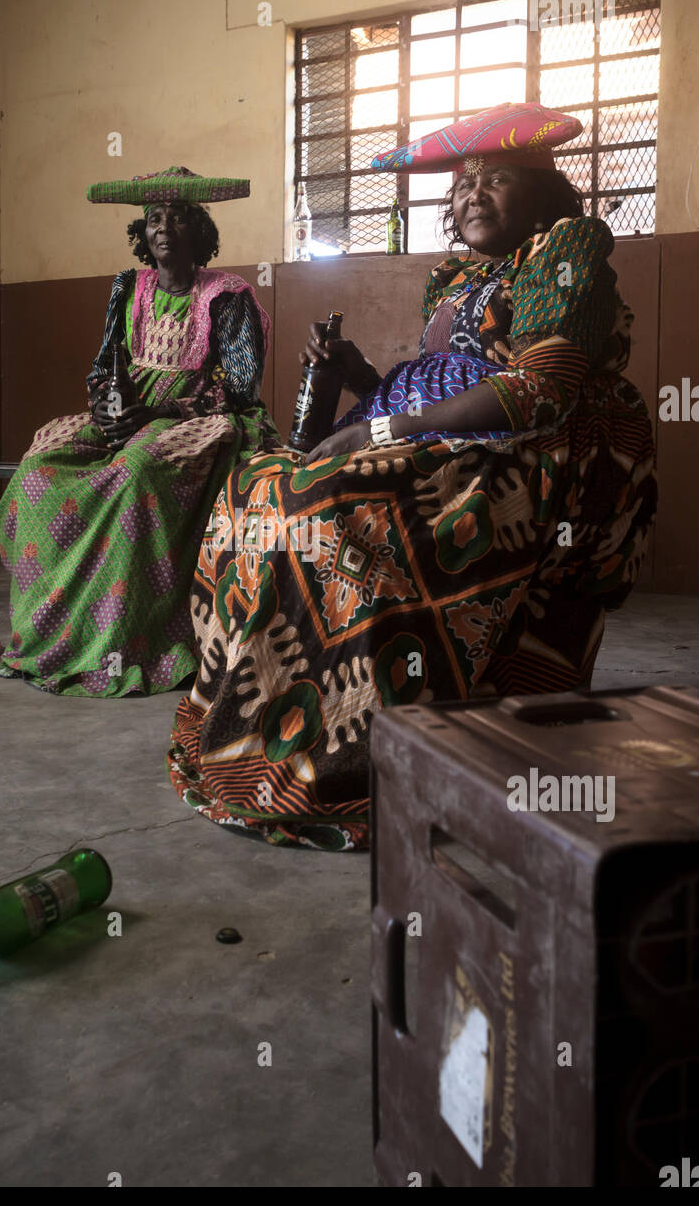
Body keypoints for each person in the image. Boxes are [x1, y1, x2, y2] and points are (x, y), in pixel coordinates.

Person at [168, 104, 657, 850]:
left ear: (544, 192)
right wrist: (359, 378)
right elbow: (433, 387)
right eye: (462, 186)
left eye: (495, 180)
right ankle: (252, 729)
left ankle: (352, 743)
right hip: (451, 440)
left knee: (326, 503)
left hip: (536, 453)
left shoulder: (566, 247)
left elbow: (538, 392)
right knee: (256, 484)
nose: (471, 196)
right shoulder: (456, 277)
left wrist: (383, 429)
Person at [0, 166, 280, 696]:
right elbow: (105, 364)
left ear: (199, 232)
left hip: (203, 418)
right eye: (153, 219)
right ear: (142, 234)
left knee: (136, 471)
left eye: (176, 218)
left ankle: (128, 637)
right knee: (40, 466)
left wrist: (156, 413)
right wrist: (106, 406)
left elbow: (240, 389)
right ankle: (54, 630)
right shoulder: (128, 286)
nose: (163, 227)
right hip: (129, 411)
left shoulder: (229, 294)